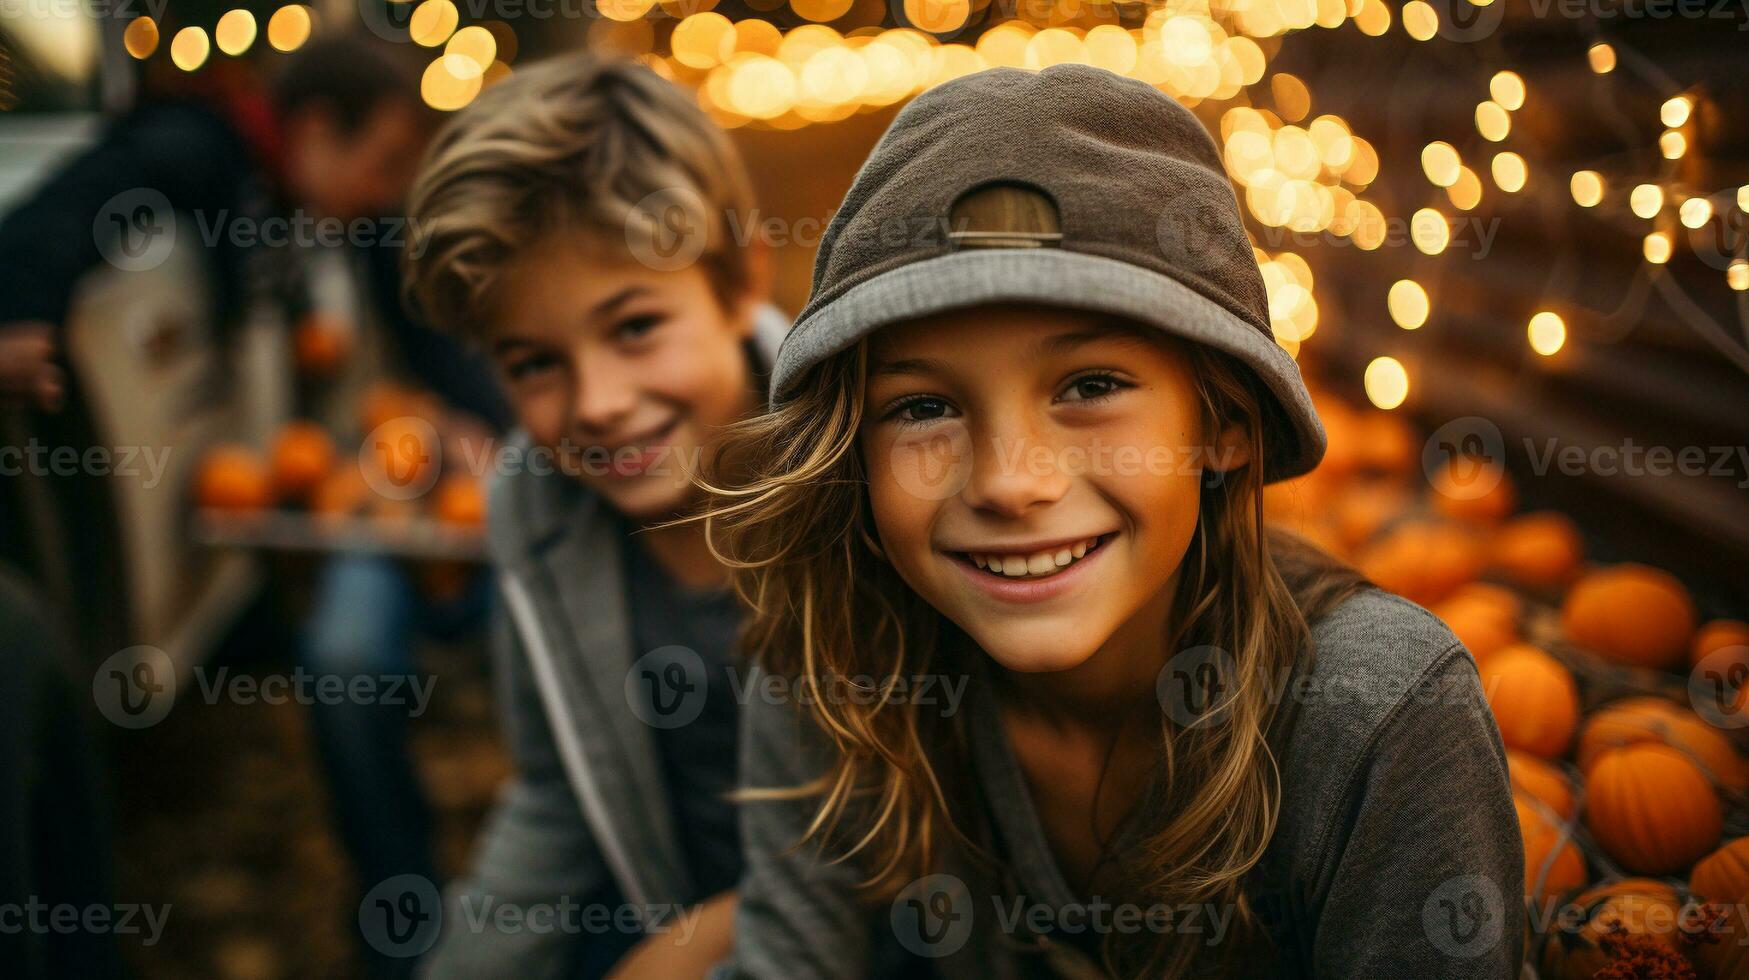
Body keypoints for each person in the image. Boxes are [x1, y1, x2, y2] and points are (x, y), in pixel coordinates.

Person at [700, 64, 1524, 978]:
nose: (1010, 484)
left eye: (1090, 387)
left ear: (1223, 424)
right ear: (850, 451)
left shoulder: (1374, 717)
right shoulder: (838, 667)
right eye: (923, 407)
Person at [0, 34, 510, 978]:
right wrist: (17, 316)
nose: (389, 192)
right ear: (315, 131)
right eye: (387, 163)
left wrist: (512, 431)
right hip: (295, 505)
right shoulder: (196, 154)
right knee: (350, 658)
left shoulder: (338, 204)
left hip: (354, 487)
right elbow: (61, 213)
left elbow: (422, 324)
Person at [401, 53, 784, 979]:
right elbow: (559, 796)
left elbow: (901, 838)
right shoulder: (534, 503)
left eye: (634, 327)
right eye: (533, 362)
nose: (598, 402)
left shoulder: (869, 473)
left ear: (737, 284)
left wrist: (680, 958)